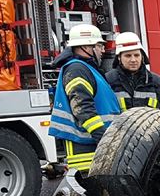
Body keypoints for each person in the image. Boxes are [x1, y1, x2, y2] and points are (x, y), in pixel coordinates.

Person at [48, 24, 120, 173]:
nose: (103, 50)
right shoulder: (77, 70)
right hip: (86, 146)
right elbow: (82, 108)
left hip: (92, 142)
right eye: (99, 45)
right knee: (90, 190)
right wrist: (102, 137)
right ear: (86, 47)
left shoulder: (85, 69)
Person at [106, 32, 160, 115]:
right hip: (121, 128)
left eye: (136, 55)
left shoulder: (156, 82)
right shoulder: (108, 81)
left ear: (142, 57)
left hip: (151, 128)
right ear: (119, 58)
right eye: (128, 56)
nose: (133, 60)